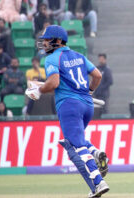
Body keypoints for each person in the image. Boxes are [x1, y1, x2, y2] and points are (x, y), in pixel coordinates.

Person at [25, 25, 109, 198]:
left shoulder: (52, 59)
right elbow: (98, 76)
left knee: (76, 146)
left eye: (48, 40)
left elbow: (54, 83)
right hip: (87, 105)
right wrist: (90, 92)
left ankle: (98, 182)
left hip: (69, 106)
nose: (45, 43)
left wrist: (38, 91)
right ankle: (95, 152)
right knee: (73, 142)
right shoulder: (79, 56)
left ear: (58, 40)